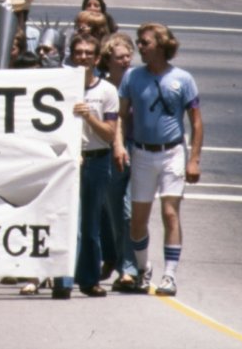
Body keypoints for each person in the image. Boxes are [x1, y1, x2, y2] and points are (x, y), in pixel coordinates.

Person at [118, 23, 204, 296]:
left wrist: (194, 159)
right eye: (138, 42)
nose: (140, 47)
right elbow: (120, 116)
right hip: (142, 153)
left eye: (145, 43)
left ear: (161, 45)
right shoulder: (132, 77)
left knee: (170, 213)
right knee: (137, 221)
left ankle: (169, 275)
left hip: (172, 153)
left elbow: (196, 122)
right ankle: (144, 270)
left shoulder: (183, 79)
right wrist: (119, 145)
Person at [69, 34, 120, 298]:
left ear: (97, 58)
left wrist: (88, 115)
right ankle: (63, 279)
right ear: (71, 55)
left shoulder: (107, 91)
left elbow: (110, 134)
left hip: (97, 159)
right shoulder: (61, 86)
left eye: (89, 52)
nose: (84, 57)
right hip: (68, 160)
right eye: (79, 52)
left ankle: (89, 279)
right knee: (67, 222)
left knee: (91, 225)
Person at [97, 32, 139, 292]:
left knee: (128, 211)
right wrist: (116, 144)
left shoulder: (138, 82)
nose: (125, 61)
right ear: (108, 60)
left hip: (140, 151)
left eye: (128, 56)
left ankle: (130, 268)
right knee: (113, 212)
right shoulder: (104, 88)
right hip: (112, 152)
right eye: (119, 57)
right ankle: (115, 259)